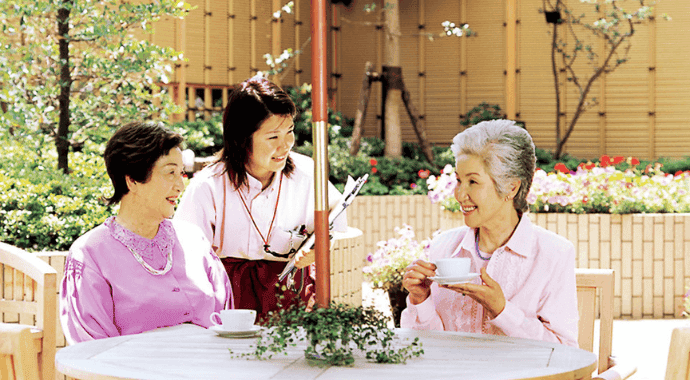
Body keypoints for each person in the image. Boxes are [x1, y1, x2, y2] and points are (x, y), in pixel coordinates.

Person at [174, 77, 346, 322]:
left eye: (290, 132)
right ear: (243, 138)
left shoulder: (308, 174)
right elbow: (188, 257)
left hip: (293, 296)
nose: (285, 145)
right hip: (228, 299)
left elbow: (337, 222)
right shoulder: (207, 185)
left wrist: (319, 244)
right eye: (273, 137)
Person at [401, 119, 578, 346]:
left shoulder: (553, 254)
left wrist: (502, 310)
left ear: (511, 187)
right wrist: (420, 299)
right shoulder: (443, 247)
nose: (459, 194)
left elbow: (564, 351)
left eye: (473, 181)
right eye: (458, 180)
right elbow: (424, 349)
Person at [60, 122, 233, 344]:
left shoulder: (195, 241)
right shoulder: (90, 255)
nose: (180, 186)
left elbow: (226, 322)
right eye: (170, 172)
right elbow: (93, 349)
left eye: (181, 173)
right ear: (132, 180)